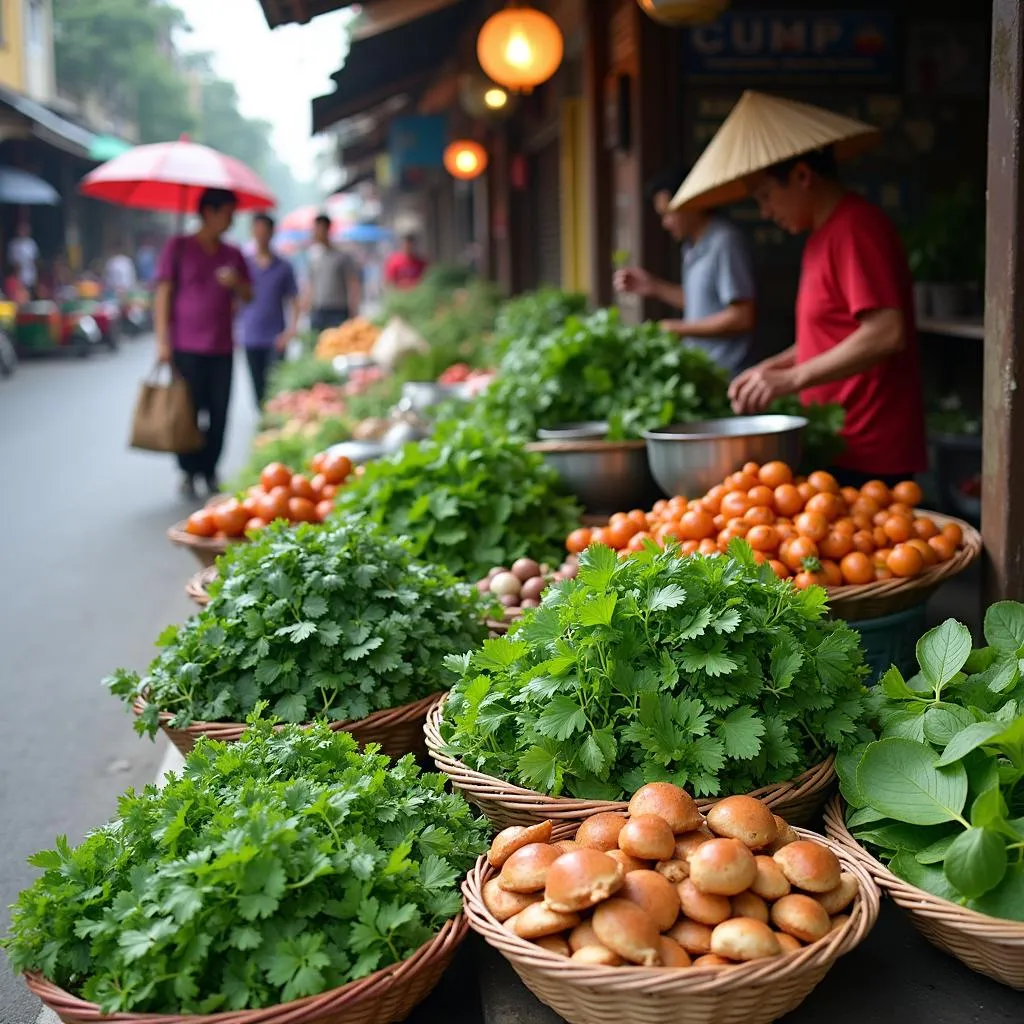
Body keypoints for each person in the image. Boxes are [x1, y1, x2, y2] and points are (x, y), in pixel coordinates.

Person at [672, 92, 927, 486]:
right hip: (837, 441)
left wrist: (791, 380)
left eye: (766, 195)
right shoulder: (818, 237)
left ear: (803, 176)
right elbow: (830, 335)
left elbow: (885, 332)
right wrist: (774, 368)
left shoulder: (857, 228)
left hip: (872, 451)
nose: (765, 211)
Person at [154, 187, 251, 499]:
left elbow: (250, 295)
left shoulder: (233, 254)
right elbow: (164, 294)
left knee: (219, 413)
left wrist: (235, 284)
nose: (231, 220)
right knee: (187, 412)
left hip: (222, 347)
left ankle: (209, 469)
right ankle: (187, 470)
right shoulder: (178, 247)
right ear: (209, 212)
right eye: (228, 213)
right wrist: (162, 342)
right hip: (185, 346)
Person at [614, 168, 757, 378]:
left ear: (692, 203)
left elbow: (742, 317)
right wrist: (652, 286)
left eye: (668, 214)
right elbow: (703, 304)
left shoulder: (725, 242)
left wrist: (679, 329)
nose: (666, 224)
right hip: (705, 370)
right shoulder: (690, 247)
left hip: (728, 374)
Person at [239, 213, 298, 407]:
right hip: (251, 336)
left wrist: (290, 331)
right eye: (257, 232)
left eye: (264, 232)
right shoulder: (244, 265)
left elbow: (294, 299)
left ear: (272, 233)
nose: (261, 236)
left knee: (276, 389)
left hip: (276, 337)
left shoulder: (284, 266)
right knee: (258, 390)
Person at [305, 214, 361, 330]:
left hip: (338, 309)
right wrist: (307, 304)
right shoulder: (314, 257)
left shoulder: (341, 256)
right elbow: (311, 283)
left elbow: (352, 282)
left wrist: (354, 309)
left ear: (327, 229)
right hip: (318, 310)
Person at [8, 222, 39, 296]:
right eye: (21, 230)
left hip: (30, 275)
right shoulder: (14, 244)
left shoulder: (31, 244)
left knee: (30, 293)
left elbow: (35, 260)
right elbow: (12, 262)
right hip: (18, 277)